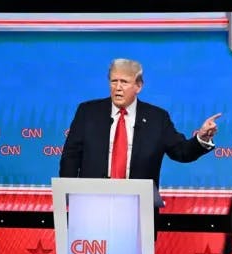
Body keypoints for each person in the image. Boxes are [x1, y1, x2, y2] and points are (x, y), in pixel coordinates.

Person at [59, 58, 221, 237]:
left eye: (124, 82)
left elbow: (181, 151)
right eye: (114, 81)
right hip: (91, 211)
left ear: (138, 86)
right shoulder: (88, 112)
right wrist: (70, 199)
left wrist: (202, 138)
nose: (118, 87)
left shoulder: (157, 118)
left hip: (137, 213)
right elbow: (70, 157)